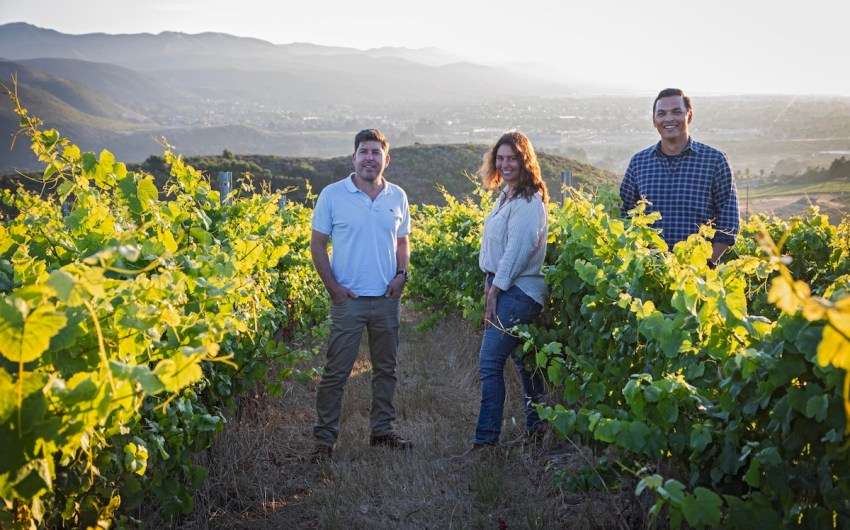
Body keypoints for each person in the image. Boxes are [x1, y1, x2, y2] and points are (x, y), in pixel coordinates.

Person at [309, 128, 412, 463]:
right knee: (336, 372)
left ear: (386, 159)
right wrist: (333, 288)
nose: (370, 158)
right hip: (348, 300)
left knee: (386, 369)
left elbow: (402, 242)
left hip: (386, 299)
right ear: (353, 157)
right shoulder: (332, 195)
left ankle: (382, 432)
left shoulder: (398, 196)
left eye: (376, 152)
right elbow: (317, 244)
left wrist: (401, 276)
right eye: (364, 151)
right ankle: (324, 442)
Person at [459, 131, 550, 455]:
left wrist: (495, 290)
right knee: (524, 362)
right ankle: (537, 429)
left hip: (518, 290)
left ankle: (486, 442)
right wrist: (490, 284)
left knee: (489, 362)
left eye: (512, 158)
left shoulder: (527, 201)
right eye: (501, 158)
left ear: (525, 160)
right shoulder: (508, 195)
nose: (505, 163)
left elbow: (517, 252)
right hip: (504, 285)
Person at [619, 88, 740, 267]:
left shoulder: (714, 160)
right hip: (649, 273)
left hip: (697, 275)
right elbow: (625, 214)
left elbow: (729, 221)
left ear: (689, 116)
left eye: (676, 112)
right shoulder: (639, 162)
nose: (669, 119)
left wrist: (706, 264)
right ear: (654, 121)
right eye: (661, 113)